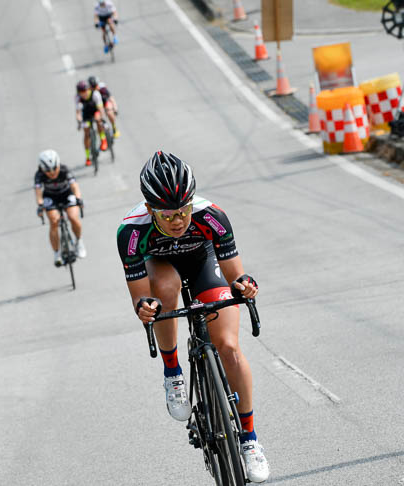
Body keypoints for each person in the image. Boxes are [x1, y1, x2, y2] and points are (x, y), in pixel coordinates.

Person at [115, 151, 269, 483]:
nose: (177, 221)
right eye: (167, 215)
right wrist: (146, 308)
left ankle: (249, 440)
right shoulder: (130, 232)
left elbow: (235, 276)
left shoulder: (212, 216)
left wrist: (245, 286)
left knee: (228, 347)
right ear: (150, 210)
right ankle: (173, 373)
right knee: (166, 288)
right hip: (160, 267)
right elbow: (142, 296)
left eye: (183, 210)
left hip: (203, 262)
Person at [35, 149, 86, 265]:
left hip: (66, 194)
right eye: (48, 170)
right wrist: (40, 205)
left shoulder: (64, 169)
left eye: (55, 169)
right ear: (42, 169)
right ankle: (56, 253)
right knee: (53, 221)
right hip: (50, 197)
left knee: (73, 217)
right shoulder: (39, 175)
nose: (52, 173)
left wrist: (78, 198)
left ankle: (79, 241)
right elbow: (38, 192)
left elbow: (74, 186)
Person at [75, 80, 108, 166]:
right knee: (86, 132)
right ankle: (87, 156)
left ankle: (103, 140)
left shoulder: (95, 94)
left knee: (98, 120)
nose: (84, 93)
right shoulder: (78, 98)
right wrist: (79, 120)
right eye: (81, 92)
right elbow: (78, 112)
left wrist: (101, 118)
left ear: (88, 89)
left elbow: (100, 108)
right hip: (86, 114)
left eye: (85, 90)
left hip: (95, 110)